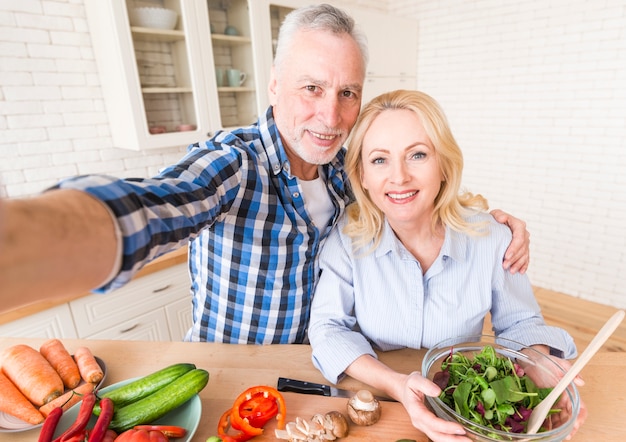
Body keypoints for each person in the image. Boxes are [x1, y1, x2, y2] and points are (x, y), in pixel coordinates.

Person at [0, 5, 528, 344]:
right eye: (311, 88)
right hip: (230, 374)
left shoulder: (350, 170)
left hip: (322, 370)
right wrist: (23, 241)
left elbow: (419, 204)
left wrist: (495, 227)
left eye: (348, 93)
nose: (331, 116)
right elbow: (156, 204)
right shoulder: (234, 163)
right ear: (274, 86)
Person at [308, 90, 586, 441]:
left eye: (418, 155)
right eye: (380, 160)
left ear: (443, 164)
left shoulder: (493, 239)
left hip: (463, 408)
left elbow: (521, 322)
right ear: (361, 175)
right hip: (381, 403)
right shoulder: (348, 241)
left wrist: (537, 366)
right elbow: (328, 328)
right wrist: (396, 384)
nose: (399, 177)